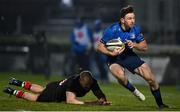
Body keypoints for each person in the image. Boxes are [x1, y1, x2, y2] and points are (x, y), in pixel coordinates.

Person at [96, 5, 169, 109]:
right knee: (121, 76)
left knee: (151, 79)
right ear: (122, 20)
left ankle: (161, 104)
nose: (132, 21)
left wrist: (134, 45)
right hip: (114, 58)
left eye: (133, 18)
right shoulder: (112, 30)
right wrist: (111, 53)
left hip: (129, 56)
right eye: (129, 18)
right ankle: (134, 91)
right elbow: (99, 47)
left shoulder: (135, 29)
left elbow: (144, 47)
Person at [3, 70, 111, 105]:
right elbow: (70, 101)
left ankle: (16, 82)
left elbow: (98, 92)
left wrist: (103, 100)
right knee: (37, 98)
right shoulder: (73, 84)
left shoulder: (91, 81)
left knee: (42, 88)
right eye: (86, 85)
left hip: (54, 84)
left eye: (89, 84)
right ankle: (13, 91)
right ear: (80, 80)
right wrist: (93, 103)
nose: (88, 87)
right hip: (55, 93)